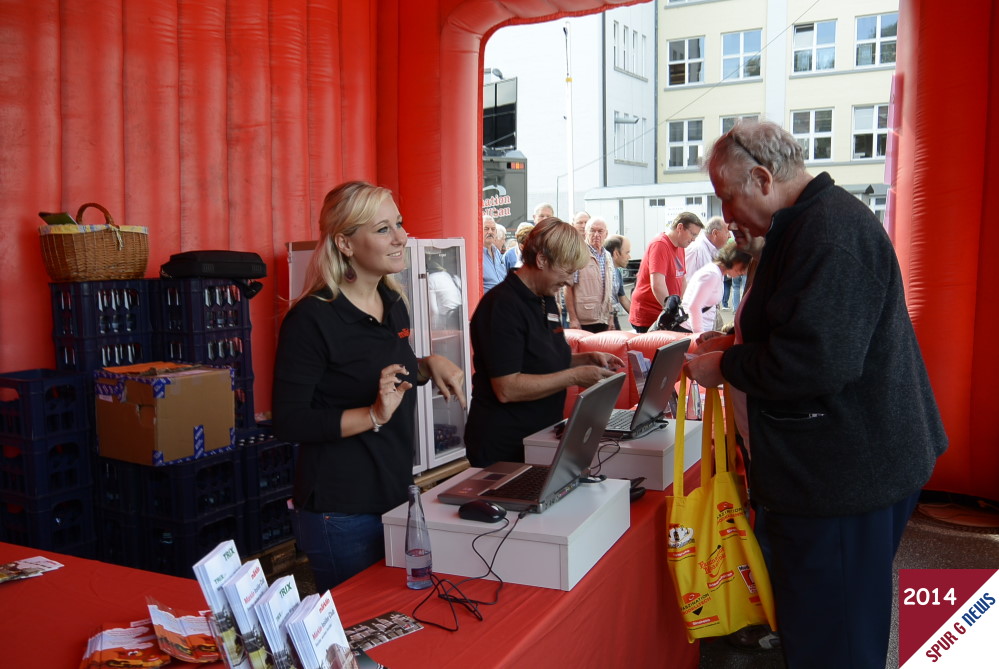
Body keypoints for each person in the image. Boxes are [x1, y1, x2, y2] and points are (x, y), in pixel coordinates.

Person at [685, 121, 947, 669]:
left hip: (846, 479)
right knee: (821, 627)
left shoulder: (829, 232)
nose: (725, 214)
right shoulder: (810, 225)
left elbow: (816, 360)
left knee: (836, 639)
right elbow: (804, 331)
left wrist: (726, 362)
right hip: (837, 472)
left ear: (761, 178)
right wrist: (736, 340)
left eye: (726, 197)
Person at [272, 181, 466, 592]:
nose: (401, 237)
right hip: (341, 510)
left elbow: (390, 375)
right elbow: (289, 421)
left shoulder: (392, 300)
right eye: (383, 229)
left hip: (395, 491)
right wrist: (373, 415)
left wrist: (428, 365)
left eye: (399, 223)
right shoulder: (311, 319)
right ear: (344, 242)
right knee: (358, 633)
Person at [464, 217, 624, 466]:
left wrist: (584, 359)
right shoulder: (502, 307)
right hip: (505, 446)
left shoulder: (544, 296)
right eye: (567, 271)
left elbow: (539, 359)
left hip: (541, 436)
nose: (570, 281)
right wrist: (575, 376)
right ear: (541, 260)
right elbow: (507, 388)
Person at [628, 212, 703, 332]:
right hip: (650, 316)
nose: (693, 239)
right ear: (680, 228)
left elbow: (682, 279)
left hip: (664, 313)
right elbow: (657, 284)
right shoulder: (660, 244)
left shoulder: (680, 247)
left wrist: (683, 305)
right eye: (692, 234)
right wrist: (672, 312)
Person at [679, 240, 750, 333]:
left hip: (695, 328)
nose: (743, 272)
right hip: (690, 329)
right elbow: (694, 307)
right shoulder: (712, 274)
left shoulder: (716, 273)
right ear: (735, 260)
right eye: (743, 267)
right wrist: (699, 335)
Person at [564, 217, 615, 332]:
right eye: (592, 230)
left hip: (603, 319)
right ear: (586, 232)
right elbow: (568, 287)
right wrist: (573, 318)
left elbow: (610, 290)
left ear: (606, 234)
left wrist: (611, 317)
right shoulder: (577, 254)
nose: (596, 234)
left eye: (600, 231)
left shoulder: (607, 256)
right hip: (583, 321)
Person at [604, 234, 632, 330]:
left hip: (613, 317)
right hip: (604, 320)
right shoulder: (602, 271)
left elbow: (622, 298)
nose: (629, 256)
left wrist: (638, 317)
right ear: (616, 254)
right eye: (627, 252)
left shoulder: (617, 272)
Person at [482, 214, 506, 293]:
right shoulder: (475, 255)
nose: (490, 232)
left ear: (496, 232)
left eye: (493, 229)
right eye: (486, 229)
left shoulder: (497, 252)